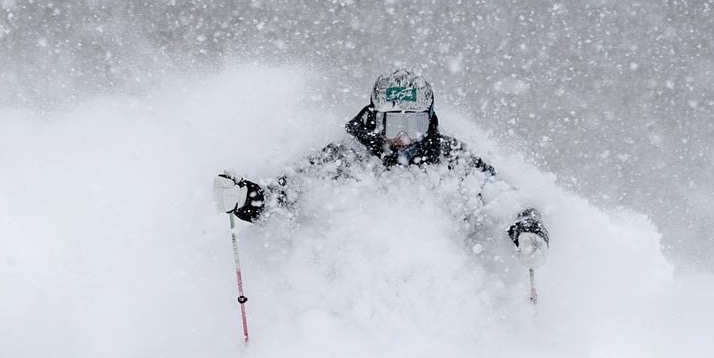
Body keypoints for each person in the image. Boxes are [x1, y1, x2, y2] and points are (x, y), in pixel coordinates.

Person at [213, 69, 550, 269]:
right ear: (375, 120)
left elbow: (505, 201)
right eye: (393, 124)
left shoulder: (454, 161)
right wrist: (245, 198)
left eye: (414, 124)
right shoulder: (342, 161)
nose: (403, 137)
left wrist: (528, 230)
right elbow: (281, 199)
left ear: (430, 120)